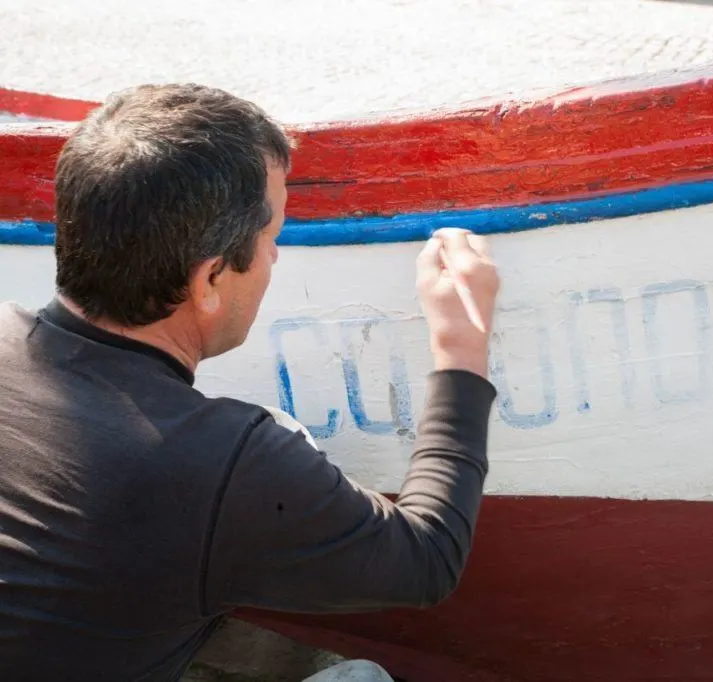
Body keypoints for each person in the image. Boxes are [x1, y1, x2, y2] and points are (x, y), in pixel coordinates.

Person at [0, 83, 500, 681]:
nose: (276, 260)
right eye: (272, 239)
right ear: (211, 278)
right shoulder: (223, 461)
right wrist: (461, 352)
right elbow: (427, 560)